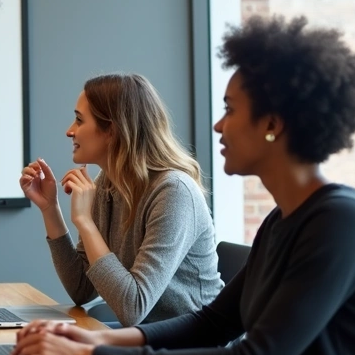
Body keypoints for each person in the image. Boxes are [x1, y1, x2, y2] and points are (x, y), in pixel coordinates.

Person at [11, 16, 355, 355]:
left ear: (272, 124)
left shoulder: (340, 224)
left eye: (231, 111)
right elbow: (210, 324)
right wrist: (100, 342)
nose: (218, 126)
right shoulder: (283, 220)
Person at [19, 74, 222, 326]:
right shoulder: (107, 184)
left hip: (194, 346)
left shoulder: (174, 192)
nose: (69, 131)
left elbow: (133, 308)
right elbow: (82, 289)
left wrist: (85, 222)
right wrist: (50, 209)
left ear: (112, 131)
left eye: (79, 120)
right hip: (145, 338)